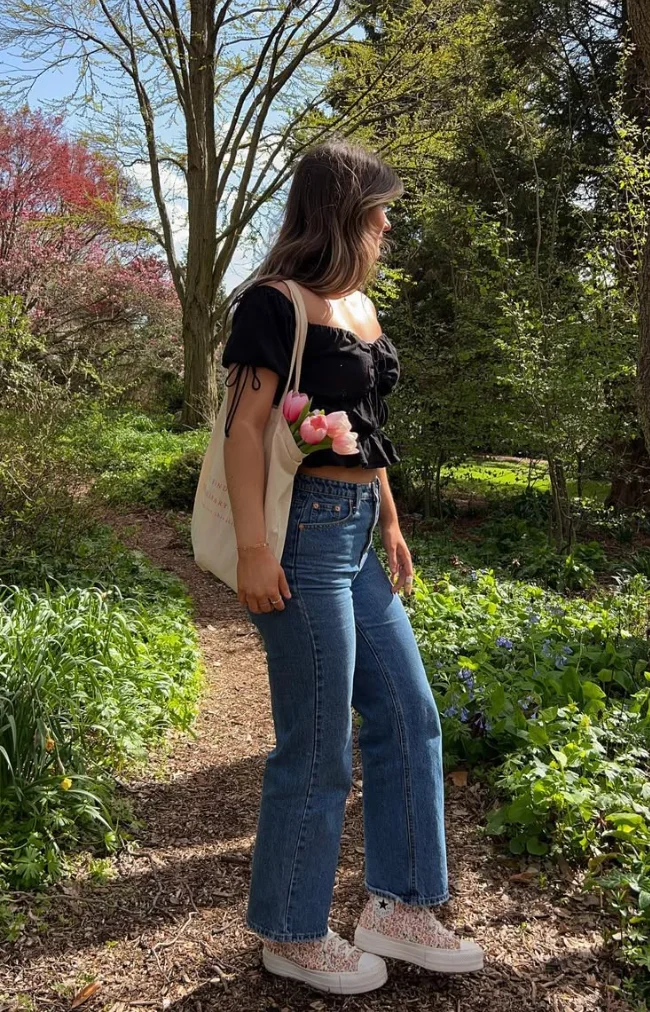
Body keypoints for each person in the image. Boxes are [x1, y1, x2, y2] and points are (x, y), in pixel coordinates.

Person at [221, 139, 484, 995]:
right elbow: (245, 429)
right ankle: (291, 931)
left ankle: (400, 907)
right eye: (378, 209)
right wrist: (254, 549)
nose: (387, 224)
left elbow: (366, 434)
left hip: (358, 535)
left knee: (411, 716)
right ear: (342, 211)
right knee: (319, 739)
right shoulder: (273, 302)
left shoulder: (362, 309)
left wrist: (392, 522)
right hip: (299, 540)